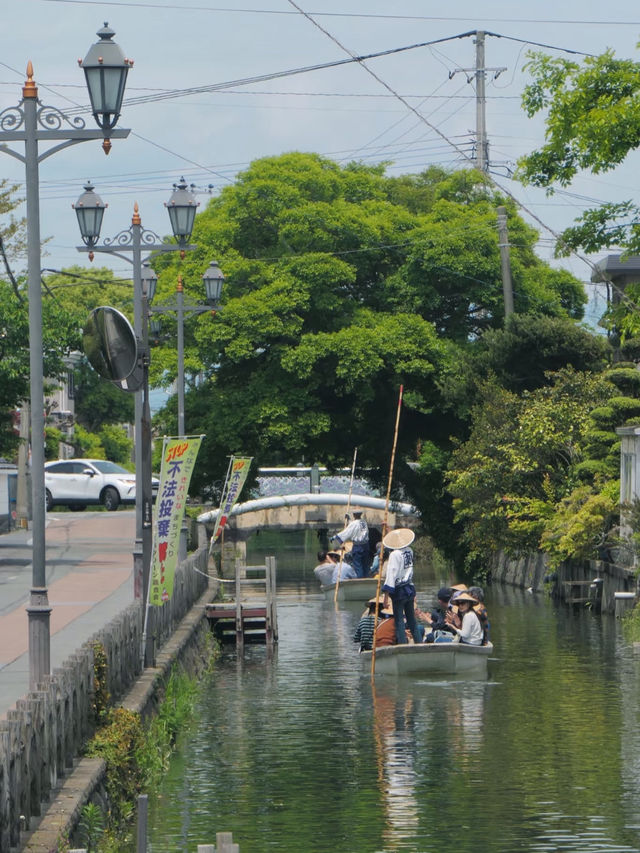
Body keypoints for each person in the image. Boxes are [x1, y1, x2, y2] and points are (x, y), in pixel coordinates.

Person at [382, 528, 422, 645]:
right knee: (411, 619)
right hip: (409, 588)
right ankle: (419, 642)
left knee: (399, 620)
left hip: (399, 591)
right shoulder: (409, 551)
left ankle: (402, 644)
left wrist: (386, 596)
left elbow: (391, 575)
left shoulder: (394, 555)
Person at [331, 511, 369, 578]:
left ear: (354, 515)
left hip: (358, 546)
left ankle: (360, 580)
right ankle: (366, 577)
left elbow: (347, 532)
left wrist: (335, 537)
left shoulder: (354, 524)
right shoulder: (364, 522)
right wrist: (349, 520)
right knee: (365, 564)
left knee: (358, 565)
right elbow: (354, 527)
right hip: (366, 545)